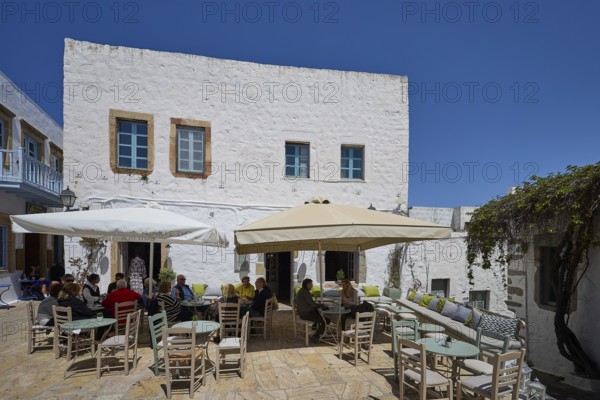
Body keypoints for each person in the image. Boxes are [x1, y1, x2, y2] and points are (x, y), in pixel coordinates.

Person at [295, 278, 329, 343]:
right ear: (307, 284)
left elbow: (311, 304)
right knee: (325, 321)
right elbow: (313, 305)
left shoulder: (302, 291)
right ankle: (316, 336)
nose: (312, 286)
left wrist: (319, 305)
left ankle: (315, 330)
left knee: (319, 316)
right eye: (311, 284)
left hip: (303, 313)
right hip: (306, 314)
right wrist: (322, 305)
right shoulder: (305, 292)